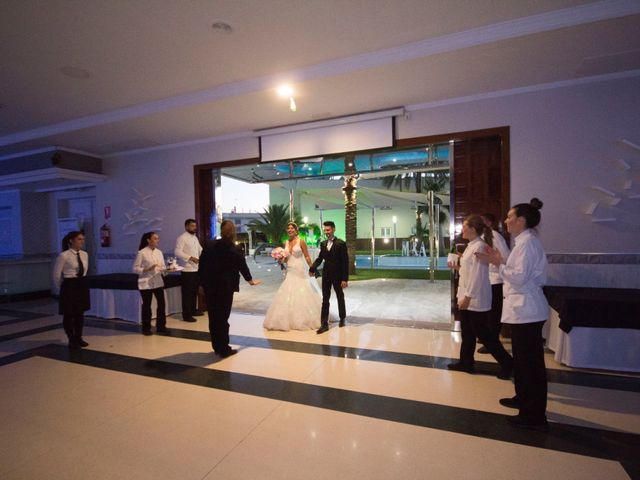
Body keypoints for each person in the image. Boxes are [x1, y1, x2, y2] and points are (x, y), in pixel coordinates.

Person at [477, 198, 549, 431]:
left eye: (509, 217)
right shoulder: (523, 242)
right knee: (523, 361)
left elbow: (518, 277)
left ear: (521, 220)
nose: (506, 221)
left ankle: (533, 414)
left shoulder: (528, 244)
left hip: (527, 311)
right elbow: (517, 270)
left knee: (531, 365)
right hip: (522, 311)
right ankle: (522, 398)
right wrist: (498, 261)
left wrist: (498, 263)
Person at [447, 215, 513, 379]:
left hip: (475, 298)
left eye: (465, 226)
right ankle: (466, 362)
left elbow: (477, 276)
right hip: (468, 296)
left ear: (473, 229)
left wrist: (468, 297)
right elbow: (468, 272)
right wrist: (457, 267)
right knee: (468, 332)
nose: (462, 229)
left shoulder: (480, 247)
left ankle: (508, 363)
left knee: (484, 334)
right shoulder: (471, 245)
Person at [198, 220, 261, 357]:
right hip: (225, 288)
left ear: (221, 230)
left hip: (210, 287)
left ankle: (216, 346)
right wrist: (250, 280)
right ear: (232, 232)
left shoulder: (209, 245)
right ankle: (224, 348)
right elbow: (242, 266)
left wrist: (201, 284)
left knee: (213, 317)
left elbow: (202, 266)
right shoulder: (235, 249)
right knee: (223, 318)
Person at [263, 222, 322, 331]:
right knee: (288, 291)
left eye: (292, 228)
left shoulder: (301, 241)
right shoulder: (286, 242)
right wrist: (280, 259)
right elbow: (285, 259)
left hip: (299, 269)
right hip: (290, 270)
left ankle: (306, 318)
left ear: (296, 230)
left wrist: (312, 268)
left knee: (302, 291)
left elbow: (307, 256)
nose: (290, 230)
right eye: (288, 228)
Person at [477, 212, 511, 354]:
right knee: (488, 311)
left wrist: (492, 260)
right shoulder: (482, 238)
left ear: (489, 223)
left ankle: (493, 341)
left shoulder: (495, 236)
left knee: (494, 313)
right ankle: (489, 337)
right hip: (487, 280)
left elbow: (505, 257)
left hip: (496, 280)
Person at [309, 221, 349, 334]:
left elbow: (345, 262)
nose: (326, 232)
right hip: (326, 275)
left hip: (338, 275)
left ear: (333, 229)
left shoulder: (341, 243)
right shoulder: (323, 243)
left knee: (340, 296)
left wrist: (344, 279)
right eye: (325, 230)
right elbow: (320, 258)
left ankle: (342, 318)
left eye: (328, 230)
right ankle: (324, 324)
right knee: (325, 299)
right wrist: (312, 267)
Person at [53, 231, 90, 348]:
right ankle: (71, 338)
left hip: (81, 284)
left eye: (83, 239)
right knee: (69, 314)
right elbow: (56, 275)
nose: (82, 241)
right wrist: (63, 287)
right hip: (69, 285)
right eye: (79, 239)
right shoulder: (64, 255)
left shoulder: (85, 254)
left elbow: (85, 270)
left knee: (80, 313)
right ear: (71, 241)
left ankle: (79, 337)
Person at [133, 232, 170, 336]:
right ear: (148, 240)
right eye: (155, 238)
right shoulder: (142, 253)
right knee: (147, 306)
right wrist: (146, 269)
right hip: (146, 283)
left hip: (158, 281)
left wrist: (168, 270)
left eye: (158, 238)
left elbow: (162, 267)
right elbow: (135, 268)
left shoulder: (159, 252)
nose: (157, 240)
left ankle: (161, 326)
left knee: (162, 304)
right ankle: (146, 328)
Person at [174, 218, 203, 323]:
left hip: (196, 269)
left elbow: (200, 250)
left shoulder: (195, 238)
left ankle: (193, 310)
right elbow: (177, 252)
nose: (194, 228)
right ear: (186, 226)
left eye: (195, 226)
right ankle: (186, 315)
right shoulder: (182, 238)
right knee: (187, 293)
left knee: (194, 291)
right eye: (192, 226)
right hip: (187, 270)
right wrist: (190, 257)